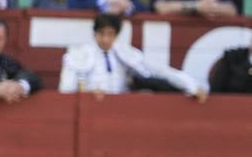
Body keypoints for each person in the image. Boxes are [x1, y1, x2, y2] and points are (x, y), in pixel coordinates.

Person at [60, 13, 206, 98]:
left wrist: (191, 85)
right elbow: (66, 90)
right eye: (101, 34)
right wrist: (88, 94)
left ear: (116, 35)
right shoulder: (78, 55)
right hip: (92, 107)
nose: (105, 39)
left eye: (110, 34)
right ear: (94, 33)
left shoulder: (125, 53)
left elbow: (159, 70)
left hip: (120, 109)